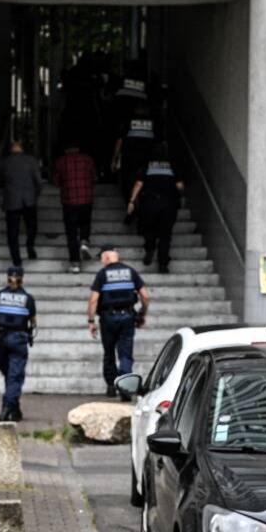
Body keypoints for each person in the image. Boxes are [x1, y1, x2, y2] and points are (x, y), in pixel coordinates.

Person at [86, 247, 150, 399]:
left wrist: (91, 321)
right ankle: (125, 389)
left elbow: (94, 299)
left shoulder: (102, 274)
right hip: (127, 316)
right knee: (125, 355)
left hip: (108, 318)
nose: (101, 261)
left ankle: (110, 386)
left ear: (107, 257)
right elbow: (145, 296)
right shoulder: (131, 272)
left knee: (109, 353)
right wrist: (142, 314)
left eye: (101, 257)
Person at [0, 264, 37, 423]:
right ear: (22, 278)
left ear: (7, 277)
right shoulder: (28, 299)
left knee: (9, 374)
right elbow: (33, 322)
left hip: (0, 339)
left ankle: (15, 408)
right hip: (18, 340)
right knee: (15, 376)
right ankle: (7, 408)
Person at [127, 145, 185, 274]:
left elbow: (138, 184)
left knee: (149, 229)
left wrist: (132, 201)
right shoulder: (172, 167)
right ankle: (163, 265)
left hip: (149, 203)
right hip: (169, 204)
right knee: (165, 235)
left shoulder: (147, 166)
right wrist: (179, 194)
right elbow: (180, 186)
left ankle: (150, 249)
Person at [0, 138, 46, 267]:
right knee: (32, 226)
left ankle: (16, 260)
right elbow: (39, 182)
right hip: (29, 200)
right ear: (22, 149)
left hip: (11, 201)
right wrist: (35, 194)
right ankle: (30, 247)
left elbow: (0, 182)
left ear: (11, 149)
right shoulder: (31, 161)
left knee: (12, 232)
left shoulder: (4, 162)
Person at [52, 141, 97, 274]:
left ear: (66, 150)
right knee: (85, 223)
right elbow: (94, 178)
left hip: (69, 201)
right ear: (78, 148)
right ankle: (84, 241)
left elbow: (56, 181)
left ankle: (75, 264)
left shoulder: (61, 161)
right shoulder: (88, 160)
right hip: (86, 199)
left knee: (71, 234)